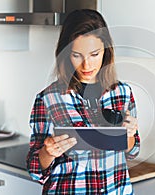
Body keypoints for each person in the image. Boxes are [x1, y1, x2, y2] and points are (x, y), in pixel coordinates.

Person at [26, 9, 140, 195]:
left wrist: (129, 134)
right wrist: (48, 152)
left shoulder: (122, 93)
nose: (86, 65)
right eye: (77, 55)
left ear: (106, 50)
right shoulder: (47, 99)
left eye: (94, 54)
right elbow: (35, 171)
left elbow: (132, 151)